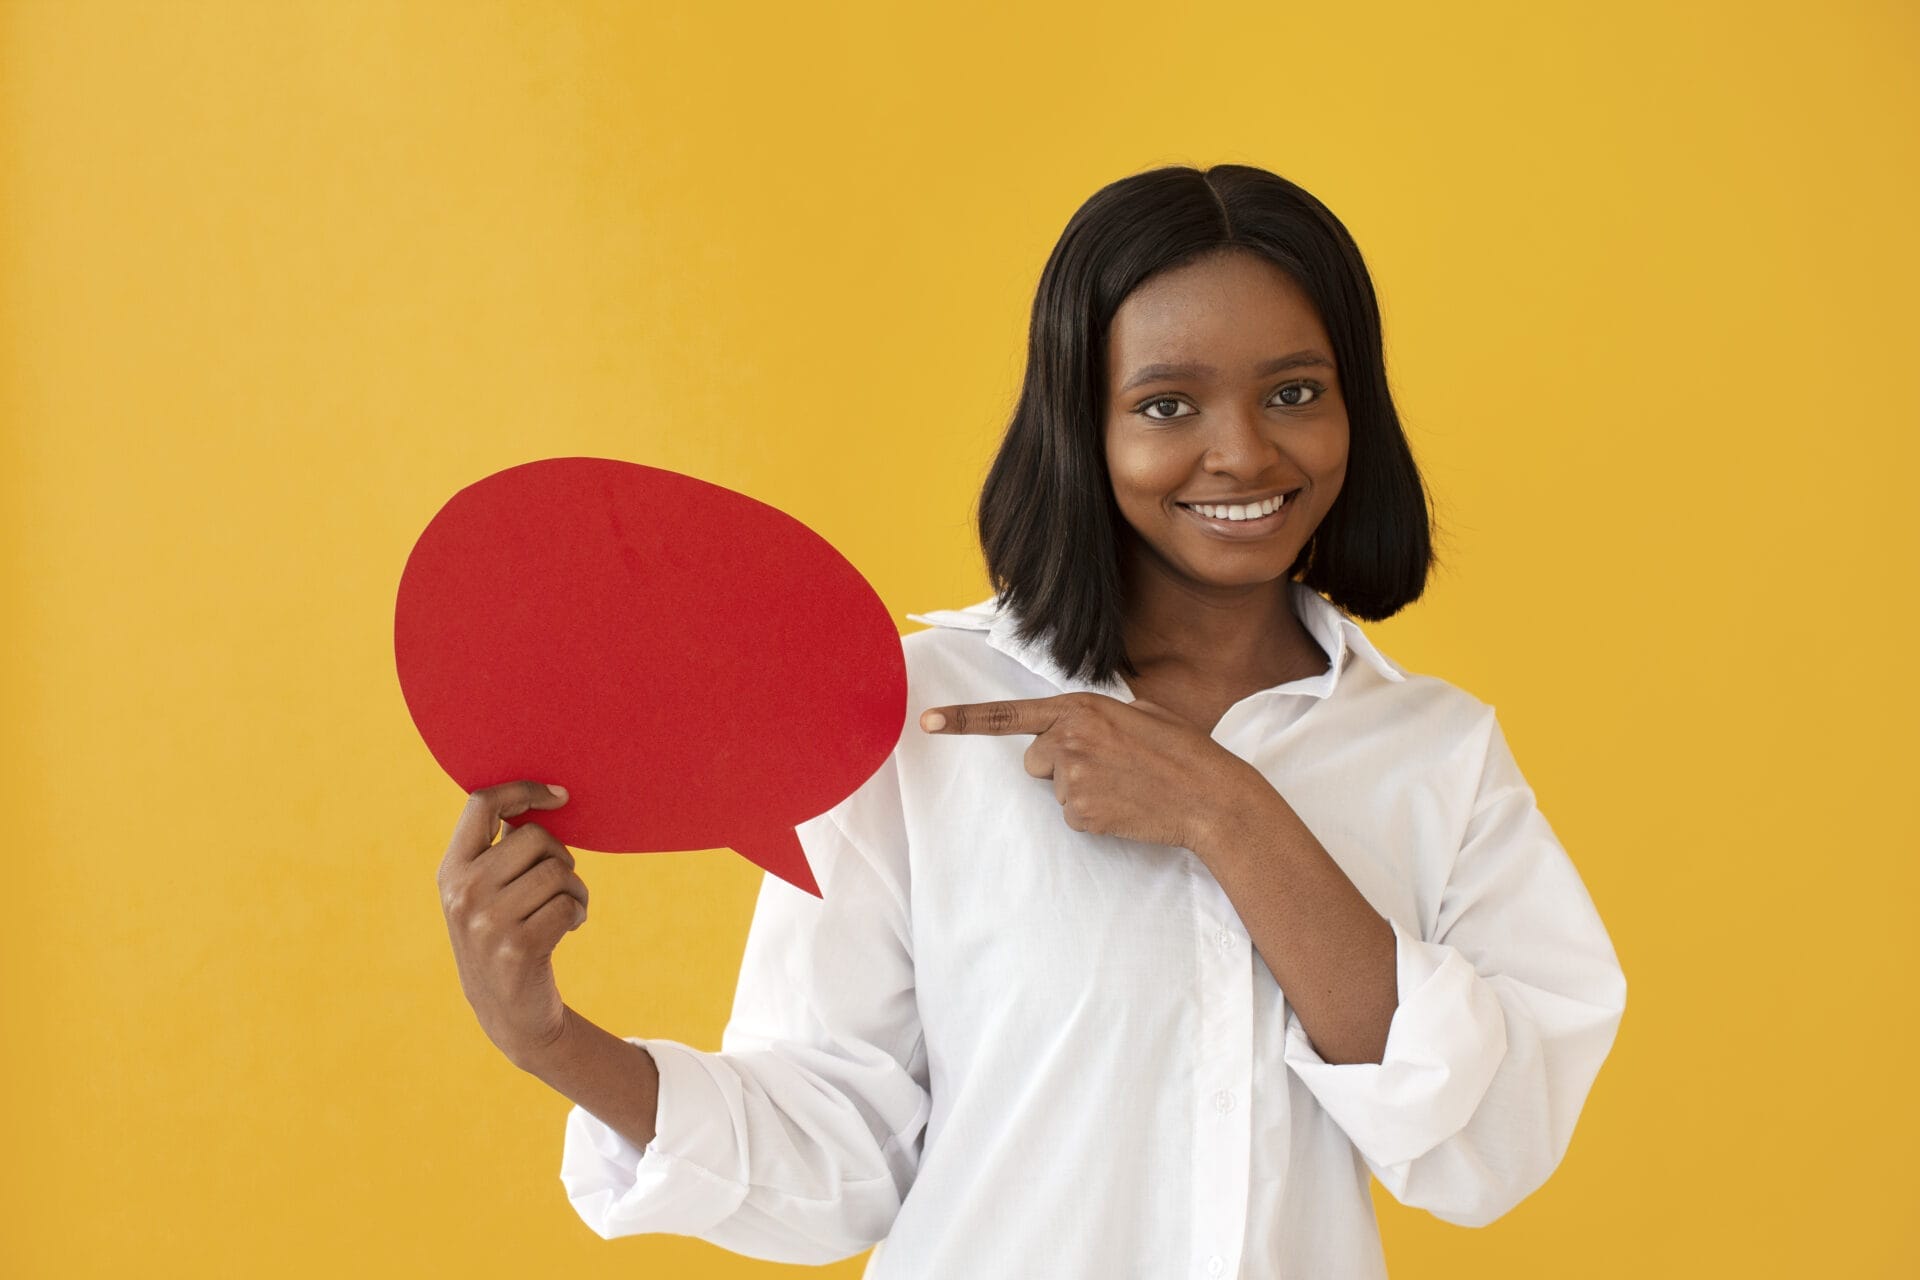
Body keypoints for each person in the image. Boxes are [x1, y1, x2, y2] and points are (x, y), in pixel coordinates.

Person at [436, 162, 1627, 1278]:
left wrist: (1234, 817)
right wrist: (551, 1038)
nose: (1243, 450)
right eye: (1167, 403)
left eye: (1296, 391)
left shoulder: (1438, 753)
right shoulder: (921, 717)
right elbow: (841, 1145)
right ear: (1082, 424)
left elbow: (1490, 1140)